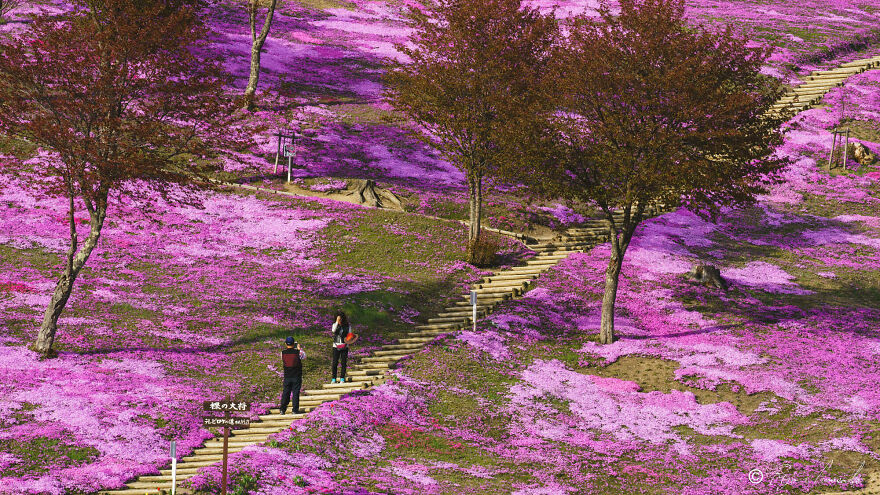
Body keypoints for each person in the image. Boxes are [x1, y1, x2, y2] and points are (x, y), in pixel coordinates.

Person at [280, 336, 306, 415]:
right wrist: (299, 349)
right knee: (295, 393)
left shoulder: (282, 353)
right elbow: (303, 357)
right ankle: (294, 410)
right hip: (296, 376)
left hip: (287, 376)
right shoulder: (299, 352)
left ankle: (282, 409)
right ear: (294, 343)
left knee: (286, 392)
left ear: (285, 344)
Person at [331, 312, 351, 383]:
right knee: (335, 362)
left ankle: (342, 378)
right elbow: (333, 330)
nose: (339, 320)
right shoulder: (334, 325)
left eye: (340, 319)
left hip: (344, 346)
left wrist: (349, 341)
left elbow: (349, 335)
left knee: (343, 362)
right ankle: (334, 378)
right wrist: (337, 321)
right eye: (338, 319)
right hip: (336, 346)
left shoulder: (348, 326)